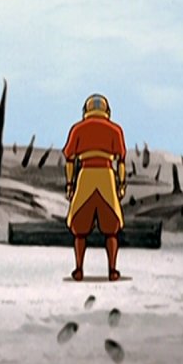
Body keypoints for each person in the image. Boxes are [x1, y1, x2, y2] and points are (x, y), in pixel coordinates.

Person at [62, 94, 127, 282]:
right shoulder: (115, 130)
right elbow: (121, 161)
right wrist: (121, 184)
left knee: (79, 229)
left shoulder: (77, 129)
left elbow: (69, 159)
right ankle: (112, 270)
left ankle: (79, 269)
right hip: (106, 178)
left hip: (86, 178)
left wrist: (70, 184)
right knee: (111, 229)